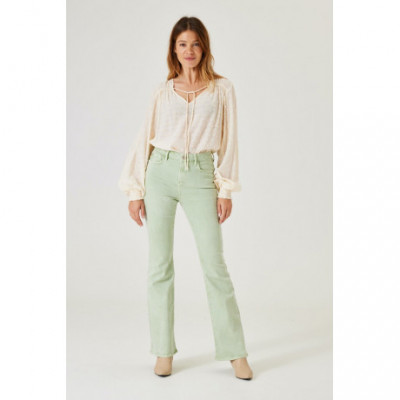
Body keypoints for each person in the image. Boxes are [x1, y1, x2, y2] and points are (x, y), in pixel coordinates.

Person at [118, 16, 253, 380]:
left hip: (201, 175)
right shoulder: (162, 92)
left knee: (214, 265)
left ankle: (235, 352)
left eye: (194, 43)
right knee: (159, 265)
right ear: (173, 50)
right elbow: (145, 137)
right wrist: (136, 190)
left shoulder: (222, 89)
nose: (188, 50)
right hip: (159, 172)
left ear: (203, 47)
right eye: (182, 44)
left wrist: (225, 189)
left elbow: (230, 141)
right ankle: (163, 351)